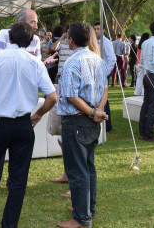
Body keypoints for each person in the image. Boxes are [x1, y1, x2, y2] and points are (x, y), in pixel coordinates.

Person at [0, 22, 57, 228]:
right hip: (23, 125)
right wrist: (39, 114)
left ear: (9, 38)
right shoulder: (35, 62)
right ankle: (9, 223)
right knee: (18, 178)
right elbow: (52, 96)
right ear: (30, 40)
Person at [55, 22, 109, 228]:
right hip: (91, 120)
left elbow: (71, 96)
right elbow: (104, 89)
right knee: (88, 167)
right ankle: (87, 209)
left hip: (77, 120)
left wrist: (94, 112)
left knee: (78, 171)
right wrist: (98, 111)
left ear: (71, 40)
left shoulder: (71, 63)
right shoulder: (98, 59)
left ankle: (81, 218)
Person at [93, 22, 116, 132]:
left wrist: (105, 73)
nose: (96, 31)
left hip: (103, 74)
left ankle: (108, 125)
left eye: (98, 29)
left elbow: (112, 59)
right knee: (98, 99)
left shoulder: (106, 42)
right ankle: (101, 122)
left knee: (104, 99)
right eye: (95, 29)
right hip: (94, 74)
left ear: (103, 30)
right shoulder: (92, 42)